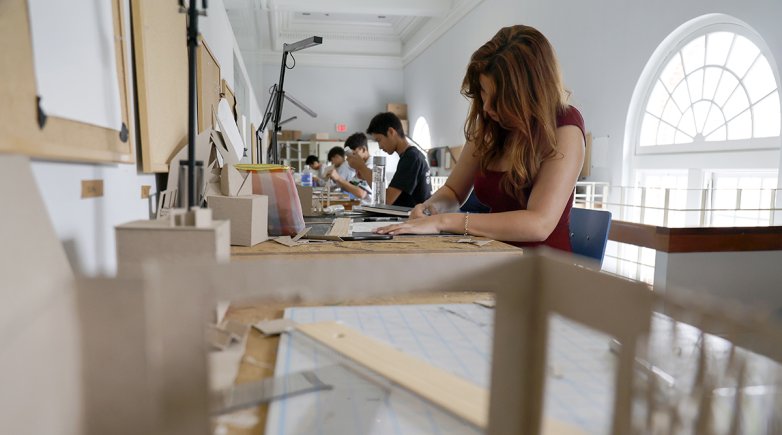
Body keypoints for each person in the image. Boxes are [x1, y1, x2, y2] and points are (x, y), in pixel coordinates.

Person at [376, 25, 585, 252]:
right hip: (494, 254)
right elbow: (453, 192)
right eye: (484, 95)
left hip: (541, 267)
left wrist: (443, 222)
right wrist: (429, 209)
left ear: (528, 96)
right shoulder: (491, 125)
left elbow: (539, 223)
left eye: (498, 100)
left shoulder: (565, 127)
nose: (486, 108)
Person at [366, 112, 432, 207]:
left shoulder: (411, 158)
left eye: (379, 140)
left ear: (391, 132)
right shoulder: (409, 156)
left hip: (412, 219)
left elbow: (386, 199)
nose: (380, 146)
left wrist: (361, 167)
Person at [326, 132, 373, 201]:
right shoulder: (361, 167)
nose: (348, 159)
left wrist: (338, 178)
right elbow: (351, 186)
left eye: (353, 154)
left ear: (363, 149)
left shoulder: (370, 166)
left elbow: (361, 193)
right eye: (347, 156)